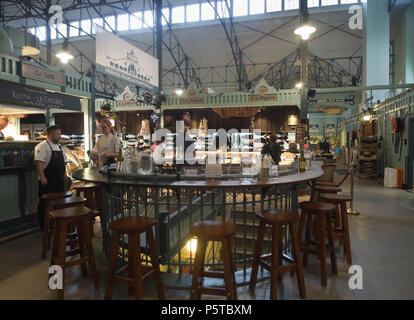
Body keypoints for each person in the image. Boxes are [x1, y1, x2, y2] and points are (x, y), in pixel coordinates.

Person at [34, 125, 68, 229]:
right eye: (57, 134)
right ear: (51, 134)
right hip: (47, 180)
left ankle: (56, 223)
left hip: (58, 180)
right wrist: (42, 177)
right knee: (45, 204)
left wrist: (65, 174)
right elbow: (39, 162)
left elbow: (64, 162)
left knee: (59, 201)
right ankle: (44, 225)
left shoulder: (59, 146)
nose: (59, 136)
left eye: (59, 134)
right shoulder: (42, 146)